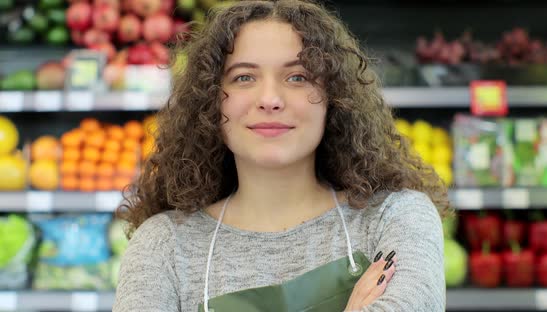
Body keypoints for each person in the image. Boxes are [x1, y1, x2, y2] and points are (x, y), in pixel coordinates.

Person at [113, 0, 450, 311]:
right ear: (210, 102)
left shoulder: (395, 218)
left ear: (335, 98)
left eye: (298, 77)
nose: (270, 99)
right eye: (244, 77)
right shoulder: (164, 246)